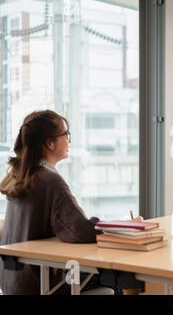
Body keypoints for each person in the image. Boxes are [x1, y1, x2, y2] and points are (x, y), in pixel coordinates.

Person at [0, 110, 110, 294]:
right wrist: (118, 227)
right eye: (66, 135)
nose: (68, 140)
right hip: (39, 283)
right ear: (49, 143)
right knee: (114, 275)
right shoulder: (50, 180)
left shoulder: (21, 175)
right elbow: (81, 232)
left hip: (14, 283)